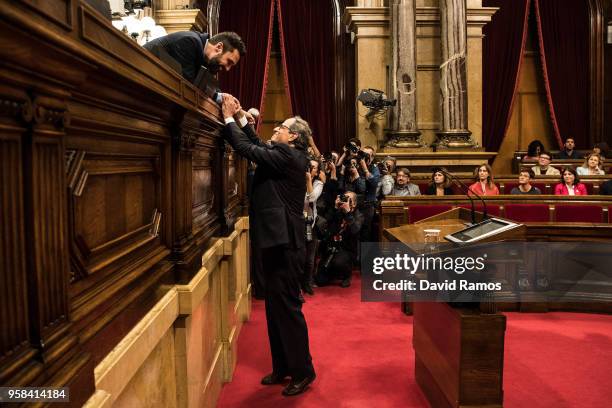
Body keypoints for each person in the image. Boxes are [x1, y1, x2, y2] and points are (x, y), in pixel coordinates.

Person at [221, 95, 315, 396]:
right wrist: (242, 121)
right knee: (275, 309)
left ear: (294, 136)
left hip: (286, 244)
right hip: (277, 241)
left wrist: (228, 120)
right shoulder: (284, 153)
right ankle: (283, 366)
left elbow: (248, 149)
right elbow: (260, 144)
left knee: (287, 308)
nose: (275, 130)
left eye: (281, 128)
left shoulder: (289, 157)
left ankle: (303, 371)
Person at [144, 31, 246, 82]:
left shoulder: (207, 59)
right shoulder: (190, 42)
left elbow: (209, 86)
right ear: (219, 47)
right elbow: (188, 85)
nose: (227, 69)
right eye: (229, 62)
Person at [314, 191, 363, 288]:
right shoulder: (338, 212)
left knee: (338, 262)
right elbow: (327, 224)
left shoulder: (358, 215)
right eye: (343, 198)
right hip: (332, 248)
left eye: (348, 199)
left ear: (354, 203)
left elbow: (355, 230)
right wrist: (335, 208)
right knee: (320, 280)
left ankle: (347, 275)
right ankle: (333, 273)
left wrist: (348, 213)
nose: (344, 201)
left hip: (347, 250)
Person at [303, 160, 325, 295]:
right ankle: (297, 285)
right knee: (299, 257)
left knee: (310, 259)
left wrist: (308, 180)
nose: (311, 169)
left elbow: (311, 198)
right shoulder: (295, 181)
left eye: (314, 168)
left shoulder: (318, 183)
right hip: (297, 222)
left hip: (311, 223)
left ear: (317, 171)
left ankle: (307, 283)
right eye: (309, 166)